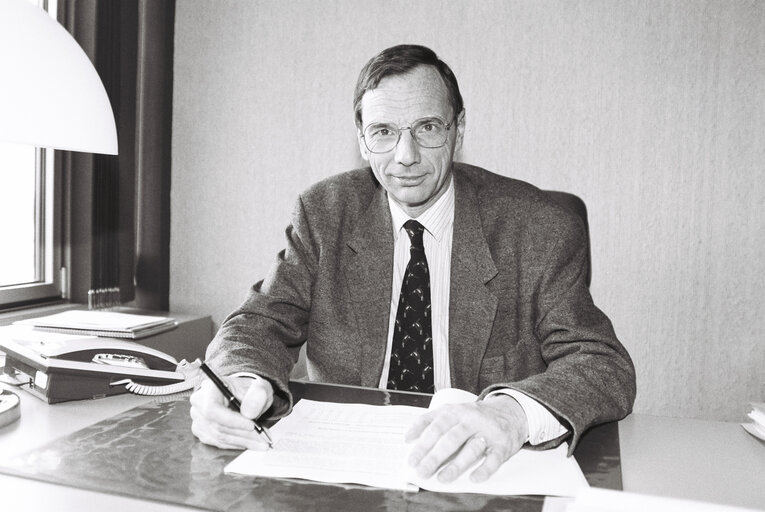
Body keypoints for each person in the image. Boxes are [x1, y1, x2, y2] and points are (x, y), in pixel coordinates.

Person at [190, 44, 636, 484]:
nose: (405, 156)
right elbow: (259, 321)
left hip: (479, 476)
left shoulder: (537, 227)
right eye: (383, 131)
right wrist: (238, 382)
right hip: (343, 467)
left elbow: (601, 363)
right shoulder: (325, 213)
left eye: (427, 128)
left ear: (458, 130)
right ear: (362, 139)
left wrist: (510, 413)